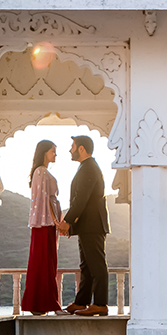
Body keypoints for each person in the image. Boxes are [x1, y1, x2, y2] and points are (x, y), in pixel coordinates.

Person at [56, 135, 110, 316]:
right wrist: (72, 226)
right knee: (86, 266)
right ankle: (81, 302)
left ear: (81, 148)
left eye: (72, 146)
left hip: (93, 225)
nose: (70, 150)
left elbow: (81, 200)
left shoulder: (89, 169)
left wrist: (67, 222)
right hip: (87, 225)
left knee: (96, 265)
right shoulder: (86, 168)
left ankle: (100, 304)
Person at [21, 139, 64, 315]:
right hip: (44, 224)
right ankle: (42, 304)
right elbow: (43, 202)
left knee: (48, 263)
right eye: (53, 151)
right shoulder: (41, 172)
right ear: (44, 152)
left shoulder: (43, 172)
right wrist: (56, 222)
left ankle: (43, 304)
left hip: (48, 224)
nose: (55, 154)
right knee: (43, 263)